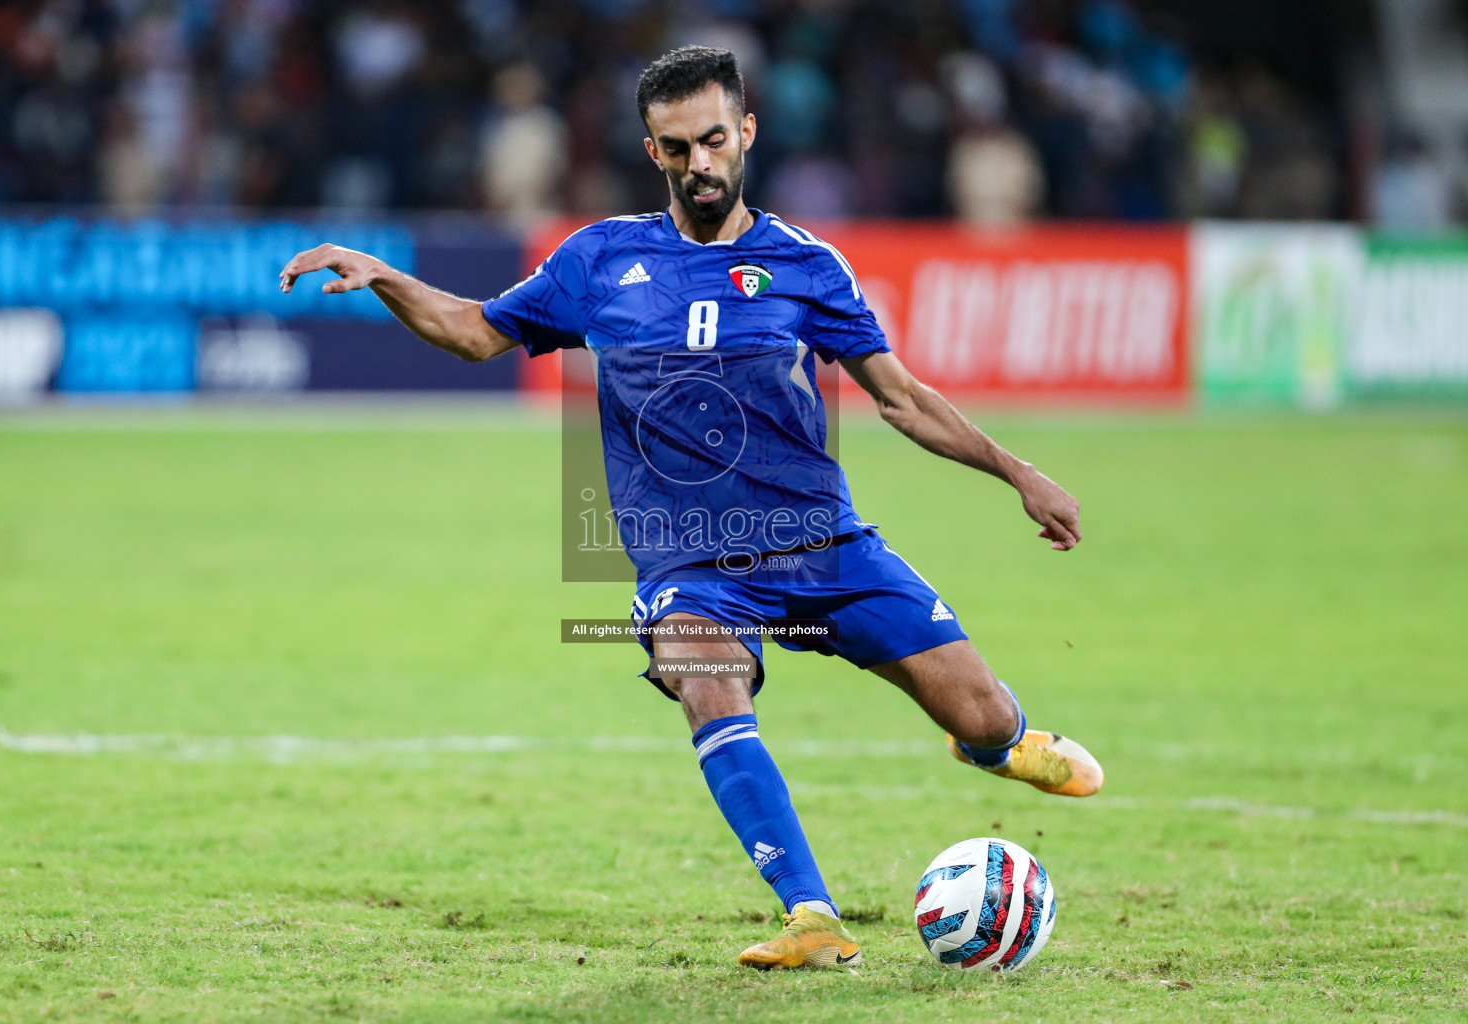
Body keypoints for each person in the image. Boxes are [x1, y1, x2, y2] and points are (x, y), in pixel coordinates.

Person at [279, 45, 1101, 972]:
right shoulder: (600, 260)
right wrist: (387, 276)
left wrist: (1018, 472)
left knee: (982, 713)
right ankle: (811, 917)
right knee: (707, 679)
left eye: (714, 140)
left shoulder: (805, 264)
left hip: (820, 543)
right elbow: (474, 332)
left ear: (745, 131)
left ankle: (995, 748)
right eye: (677, 148)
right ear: (652, 151)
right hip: (691, 564)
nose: (699, 164)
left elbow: (901, 398)